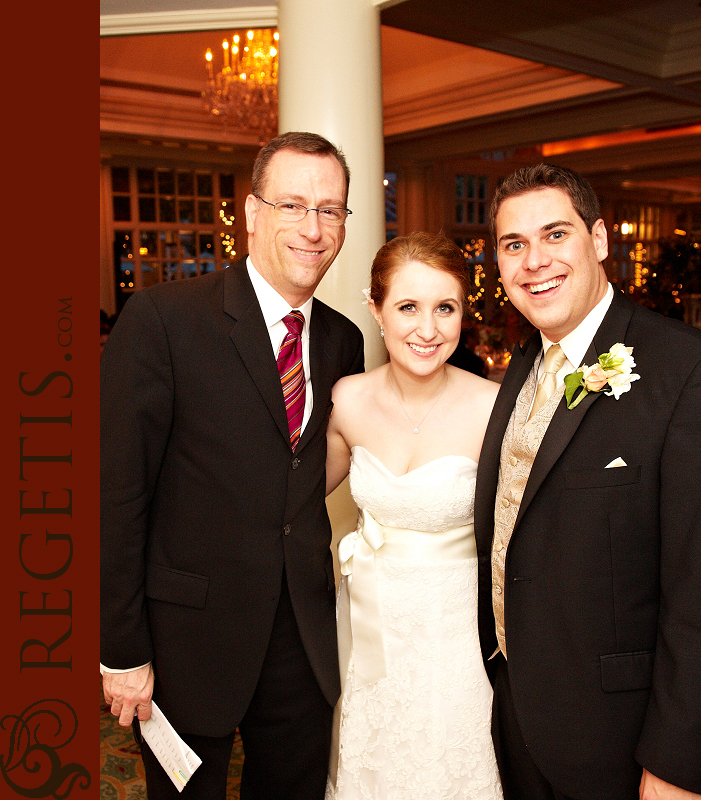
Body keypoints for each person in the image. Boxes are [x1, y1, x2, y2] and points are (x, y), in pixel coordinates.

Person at [100, 131, 364, 800]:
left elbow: (302, 470)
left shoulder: (342, 339)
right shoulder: (162, 319)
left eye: (330, 209)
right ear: (250, 213)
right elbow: (118, 494)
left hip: (301, 641)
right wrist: (122, 650)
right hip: (186, 639)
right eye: (292, 205)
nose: (312, 228)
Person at [474, 163, 701, 799]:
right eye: (514, 245)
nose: (533, 261)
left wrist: (677, 761)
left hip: (620, 740)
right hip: (519, 716)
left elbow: (696, 588)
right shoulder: (524, 362)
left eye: (555, 235)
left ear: (599, 240)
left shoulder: (682, 371)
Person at [324, 231, 502, 798]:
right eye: (407, 307)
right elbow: (281, 498)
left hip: (459, 643)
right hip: (369, 634)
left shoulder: (493, 408)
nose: (427, 329)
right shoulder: (347, 399)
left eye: (444, 308)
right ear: (376, 310)